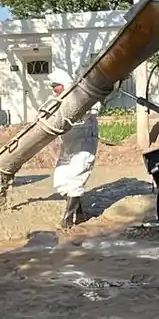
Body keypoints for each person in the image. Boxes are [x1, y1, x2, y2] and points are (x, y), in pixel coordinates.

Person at [48, 68, 100, 227]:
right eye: (52, 86)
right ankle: (81, 214)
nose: (53, 89)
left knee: (77, 176)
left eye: (55, 85)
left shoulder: (82, 96)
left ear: (63, 85)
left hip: (84, 142)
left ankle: (67, 220)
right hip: (68, 143)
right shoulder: (55, 99)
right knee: (62, 177)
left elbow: (94, 108)